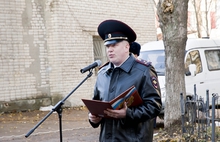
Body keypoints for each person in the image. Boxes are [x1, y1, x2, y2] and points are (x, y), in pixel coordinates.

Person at [88, 19, 162, 142]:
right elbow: (96, 105)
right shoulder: (102, 73)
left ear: (126, 47)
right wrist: (93, 118)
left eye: (114, 45)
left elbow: (154, 106)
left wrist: (128, 114)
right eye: (107, 46)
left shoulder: (143, 71)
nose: (109, 50)